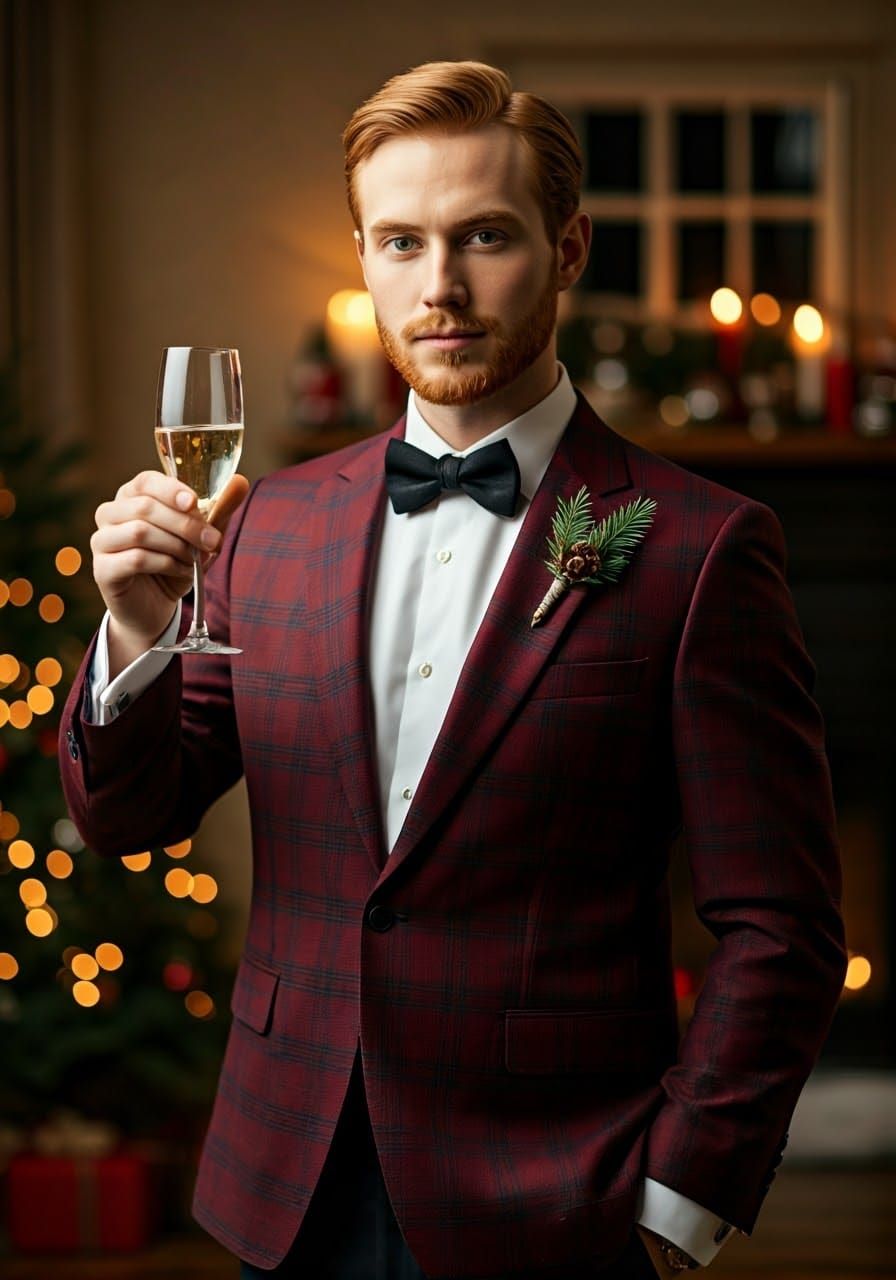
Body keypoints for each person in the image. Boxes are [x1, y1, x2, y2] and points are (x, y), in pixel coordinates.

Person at [60, 61, 846, 1280]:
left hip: (558, 1198)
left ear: (567, 246)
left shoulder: (700, 547)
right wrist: (131, 634)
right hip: (283, 1182)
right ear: (364, 258)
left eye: (484, 236)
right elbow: (124, 815)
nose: (440, 286)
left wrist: (680, 1192)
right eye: (400, 241)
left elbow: (780, 921)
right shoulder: (264, 524)